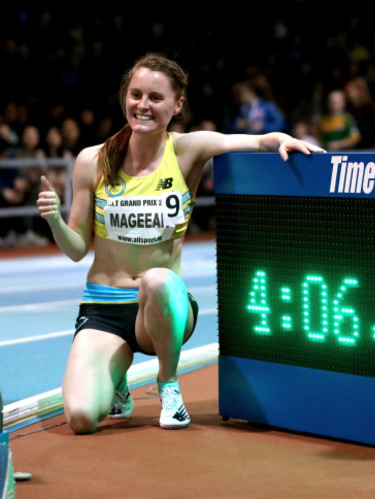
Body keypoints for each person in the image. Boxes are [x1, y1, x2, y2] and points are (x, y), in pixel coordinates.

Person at [37, 53, 323, 435]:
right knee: (83, 418)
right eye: (136, 95)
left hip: (164, 303)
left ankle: (168, 385)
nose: (143, 105)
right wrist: (55, 219)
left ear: (177, 105)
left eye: (156, 98)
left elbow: (255, 140)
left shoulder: (188, 149)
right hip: (103, 306)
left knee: (157, 279)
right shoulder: (93, 160)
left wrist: (284, 139)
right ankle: (116, 381)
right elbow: (76, 249)